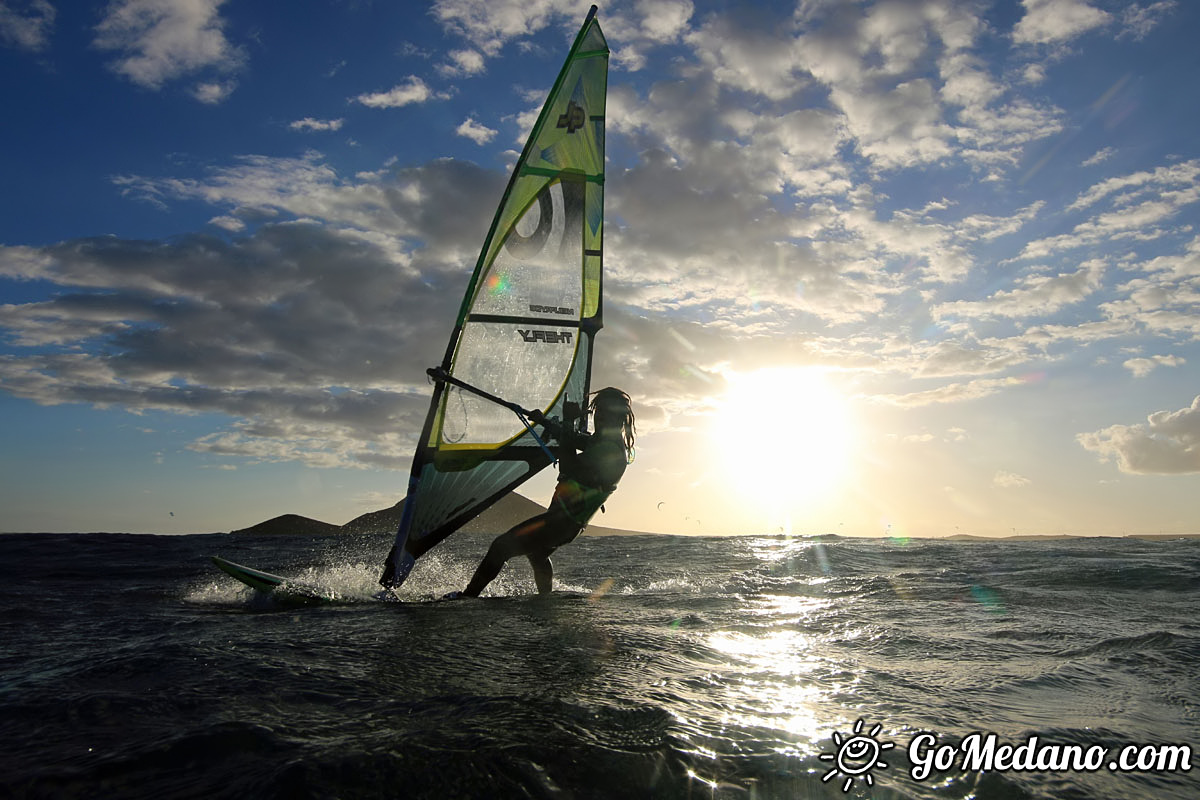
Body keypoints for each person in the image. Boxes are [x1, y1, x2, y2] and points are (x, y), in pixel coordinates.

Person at [457, 387, 635, 597]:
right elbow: (573, 438)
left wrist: (568, 421)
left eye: (608, 413)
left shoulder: (611, 451)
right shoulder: (602, 441)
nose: (601, 418)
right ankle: (545, 600)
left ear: (620, 418)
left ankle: (466, 598)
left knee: (501, 547)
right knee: (538, 554)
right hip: (567, 523)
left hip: (562, 523)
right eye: (599, 412)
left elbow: (569, 467)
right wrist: (544, 421)